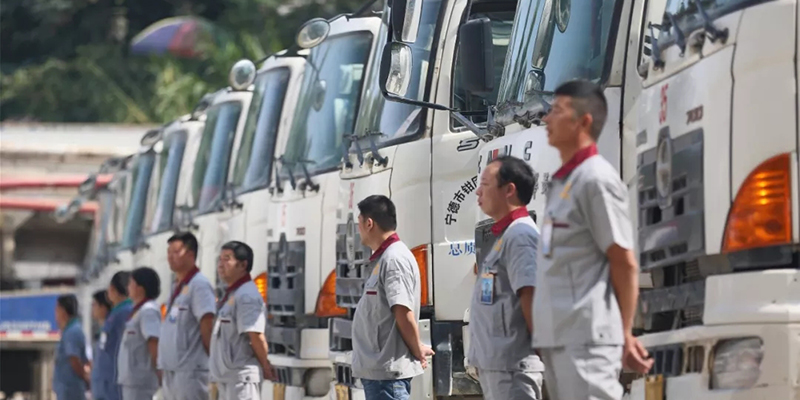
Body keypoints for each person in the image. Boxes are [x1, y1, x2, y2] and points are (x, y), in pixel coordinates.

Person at [533, 80, 653, 400]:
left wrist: (625, 333)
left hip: (586, 337)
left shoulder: (596, 179)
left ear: (583, 122)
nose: (546, 118)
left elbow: (623, 261)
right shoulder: (564, 182)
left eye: (557, 111)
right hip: (559, 337)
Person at [470, 155, 544, 399]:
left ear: (509, 190)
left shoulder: (521, 235)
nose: (478, 192)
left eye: (485, 184)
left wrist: (546, 357)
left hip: (513, 369)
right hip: (500, 368)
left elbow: (531, 298)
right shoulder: (508, 235)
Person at [351, 195, 434, 400]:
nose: (358, 229)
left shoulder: (394, 259)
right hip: (381, 374)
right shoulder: (385, 258)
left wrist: (416, 349)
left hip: (387, 376)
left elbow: (403, 312)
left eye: (359, 222)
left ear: (369, 223)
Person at [209, 241, 276, 399]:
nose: (221, 265)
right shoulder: (233, 294)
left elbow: (255, 335)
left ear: (243, 265)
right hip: (229, 380)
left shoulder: (247, 296)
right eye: (220, 259)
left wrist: (265, 365)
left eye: (227, 259)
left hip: (241, 381)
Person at [158, 231, 216, 400]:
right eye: (168, 252)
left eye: (176, 252)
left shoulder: (199, 285)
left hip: (190, 371)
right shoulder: (178, 286)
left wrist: (213, 361)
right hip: (172, 369)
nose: (170, 257)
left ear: (190, 255)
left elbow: (207, 323)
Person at [118, 267, 162, 400]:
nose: (128, 287)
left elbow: (154, 343)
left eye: (131, 283)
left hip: (142, 383)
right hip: (132, 382)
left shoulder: (148, 311)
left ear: (140, 288)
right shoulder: (137, 311)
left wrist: (160, 375)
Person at [93, 272, 132, 400]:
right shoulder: (115, 314)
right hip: (107, 382)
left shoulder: (124, 312)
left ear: (113, 289)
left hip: (114, 382)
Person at [54, 294, 90, 400]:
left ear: (63, 311)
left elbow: (74, 359)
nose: (55, 313)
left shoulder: (72, 332)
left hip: (70, 391)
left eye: (57, 309)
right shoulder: (68, 331)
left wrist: (85, 377)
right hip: (66, 389)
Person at [90, 290, 112, 399]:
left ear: (103, 307)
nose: (92, 309)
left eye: (94, 305)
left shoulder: (111, 330)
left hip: (108, 390)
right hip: (99, 389)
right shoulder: (101, 332)